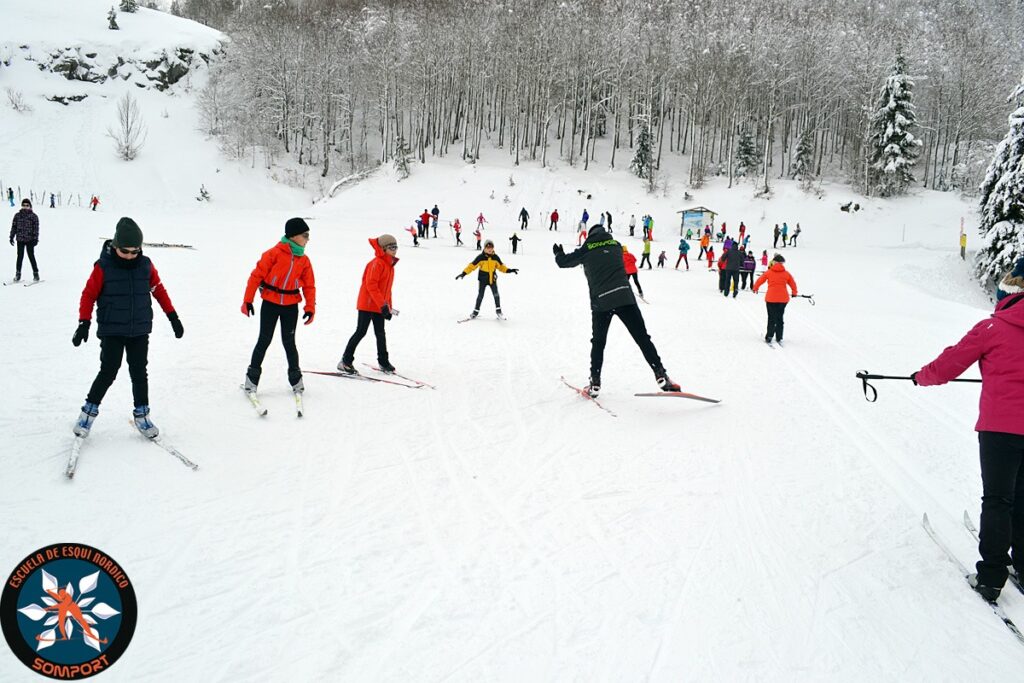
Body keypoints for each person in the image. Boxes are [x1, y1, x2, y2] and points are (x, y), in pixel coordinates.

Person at [912, 257, 1024, 601]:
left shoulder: (993, 328)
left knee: (998, 500)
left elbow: (949, 364)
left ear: (1007, 294)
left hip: (1000, 430)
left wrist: (921, 377)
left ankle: (990, 577)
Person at [71, 217, 184, 439]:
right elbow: (88, 295)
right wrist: (84, 322)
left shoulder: (146, 265)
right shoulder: (103, 267)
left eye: (135, 251)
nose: (131, 255)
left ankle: (142, 415)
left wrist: (173, 317)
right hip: (112, 329)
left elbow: (159, 290)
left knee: (139, 372)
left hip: (139, 329)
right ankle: (87, 414)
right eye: (125, 251)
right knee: (109, 370)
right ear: (115, 246)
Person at [553, 227, 680, 396]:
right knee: (642, 338)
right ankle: (660, 374)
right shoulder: (616, 245)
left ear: (590, 236)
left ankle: (595, 382)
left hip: (601, 302)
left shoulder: (587, 248)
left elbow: (563, 263)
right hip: (625, 297)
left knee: (598, 343)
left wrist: (558, 254)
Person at [241, 218, 316, 397]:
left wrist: (310, 307)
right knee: (264, 340)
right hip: (270, 304)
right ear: (293, 236)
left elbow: (309, 286)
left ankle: (296, 381)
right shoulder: (273, 254)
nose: (308, 239)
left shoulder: (304, 260)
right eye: (305, 235)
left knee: (289, 343)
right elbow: (255, 276)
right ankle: (251, 381)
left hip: (291, 306)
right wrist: (247, 300)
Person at [338, 234, 399, 374]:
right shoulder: (376, 263)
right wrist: (382, 305)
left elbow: (387, 290)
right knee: (361, 331)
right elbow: (371, 285)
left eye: (396, 247)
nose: (395, 250)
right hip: (367, 304)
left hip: (379, 305)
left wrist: (388, 307)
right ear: (383, 249)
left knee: (380, 333)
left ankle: (383, 362)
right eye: (391, 247)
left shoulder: (390, 266)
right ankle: (345, 361)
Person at [456, 239, 518, 319]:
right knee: (480, 296)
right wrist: (464, 273)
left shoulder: (495, 257)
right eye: (488, 247)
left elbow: (501, 267)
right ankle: (475, 311)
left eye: (491, 247)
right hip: (482, 280)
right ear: (484, 248)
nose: (490, 249)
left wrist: (510, 270)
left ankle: (499, 312)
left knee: (496, 295)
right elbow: (472, 266)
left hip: (492, 280)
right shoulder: (480, 257)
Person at [752, 254, 797, 345]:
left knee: (771, 317)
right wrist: (794, 292)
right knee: (780, 318)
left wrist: (755, 288)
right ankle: (779, 336)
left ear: (774, 262)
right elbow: (793, 283)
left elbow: (760, 280)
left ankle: (769, 336)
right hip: (783, 299)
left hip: (771, 298)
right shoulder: (786, 273)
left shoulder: (769, 272)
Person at [9, 198, 40, 282]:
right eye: (23, 205)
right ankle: (18, 274)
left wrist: (35, 239)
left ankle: (36, 273)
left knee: (31, 256)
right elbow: (14, 227)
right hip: (20, 239)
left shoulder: (34, 216)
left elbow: (36, 229)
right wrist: (11, 236)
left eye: (27, 205)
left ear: (30, 206)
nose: (25, 207)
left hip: (30, 240)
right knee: (20, 256)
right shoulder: (17, 216)